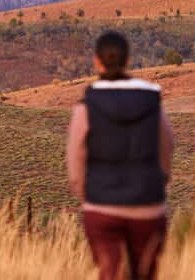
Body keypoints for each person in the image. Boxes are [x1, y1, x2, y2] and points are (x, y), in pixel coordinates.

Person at [66, 31, 174, 280]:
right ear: (128, 60)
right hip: (148, 206)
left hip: (101, 207)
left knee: (109, 272)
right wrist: (158, 182)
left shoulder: (86, 106)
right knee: (145, 273)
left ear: (97, 62)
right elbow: (167, 147)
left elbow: (75, 159)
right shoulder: (152, 103)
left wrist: (87, 195)